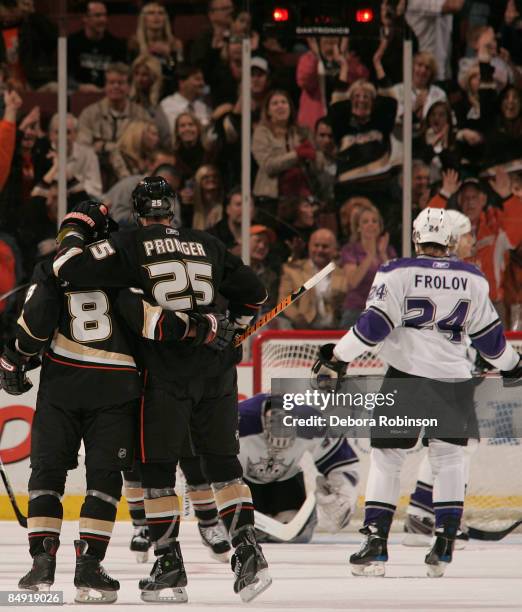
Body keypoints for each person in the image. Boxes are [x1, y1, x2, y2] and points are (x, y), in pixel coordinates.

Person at [51, 178, 272, 603]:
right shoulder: (207, 242)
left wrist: (75, 229)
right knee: (223, 465)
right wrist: (235, 331)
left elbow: (66, 269)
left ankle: (168, 564)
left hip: (164, 373)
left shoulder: (129, 243)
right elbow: (256, 294)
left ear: (137, 213)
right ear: (172, 209)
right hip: (217, 372)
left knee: (156, 473)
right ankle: (248, 552)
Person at [312, 207, 522, 578]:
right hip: (454, 383)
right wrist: (513, 366)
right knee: (449, 460)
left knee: (388, 459)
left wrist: (337, 356)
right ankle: (442, 544)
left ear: (415, 236)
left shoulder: (397, 271)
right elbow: (491, 342)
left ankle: (375, 543)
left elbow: (374, 325)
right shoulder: (473, 277)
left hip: (406, 377)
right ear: (452, 241)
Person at [0, 206, 141, 602]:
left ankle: (41, 564)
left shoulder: (52, 268)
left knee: (47, 472)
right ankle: (90, 567)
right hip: (115, 388)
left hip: (62, 387)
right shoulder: (127, 266)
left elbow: (34, 328)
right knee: (103, 481)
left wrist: (15, 358)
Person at [238, 393, 359, 542]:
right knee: (236, 535)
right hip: (241, 486)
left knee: (298, 536)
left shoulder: (313, 423)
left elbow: (342, 462)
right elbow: (206, 458)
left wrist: (344, 496)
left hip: (286, 483)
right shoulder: (236, 420)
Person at [77, 63, 149, 190]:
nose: (116, 86)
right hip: (97, 173)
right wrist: (110, 149)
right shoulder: (89, 114)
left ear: (129, 87)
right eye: (111, 82)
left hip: (133, 168)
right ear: (105, 86)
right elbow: (83, 148)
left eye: (120, 83)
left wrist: (103, 145)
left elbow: (148, 147)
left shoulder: (141, 114)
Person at [278, 228, 347, 330]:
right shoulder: (292, 270)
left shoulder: (344, 274)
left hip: (335, 330)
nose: (320, 250)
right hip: (302, 329)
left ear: (334, 249)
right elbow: (283, 302)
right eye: (316, 245)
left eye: (325, 246)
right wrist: (297, 317)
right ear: (309, 246)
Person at [340, 205, 396, 328]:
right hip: (356, 311)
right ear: (358, 227)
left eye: (374, 221)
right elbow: (352, 282)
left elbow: (394, 283)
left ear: (380, 227)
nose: (371, 224)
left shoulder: (388, 250)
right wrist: (370, 255)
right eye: (365, 221)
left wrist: (382, 254)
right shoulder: (350, 250)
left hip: (382, 310)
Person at [68, 1, 127, 92]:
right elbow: (64, 75)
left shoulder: (116, 45)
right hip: (78, 91)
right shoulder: (72, 42)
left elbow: (123, 74)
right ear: (85, 18)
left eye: (104, 15)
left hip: (109, 92)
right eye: (98, 16)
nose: (103, 20)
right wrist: (80, 87)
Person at [128, 2, 184, 98]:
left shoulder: (175, 44)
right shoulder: (135, 43)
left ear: (165, 19)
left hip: (168, 91)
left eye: (160, 13)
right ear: (144, 19)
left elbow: (178, 73)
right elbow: (131, 73)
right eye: (151, 13)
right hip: (141, 91)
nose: (156, 16)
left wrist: (168, 57)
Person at [155, 64, 211, 146]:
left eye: (202, 80)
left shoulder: (203, 107)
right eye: (197, 79)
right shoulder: (167, 105)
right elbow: (173, 134)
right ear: (182, 83)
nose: (202, 83)